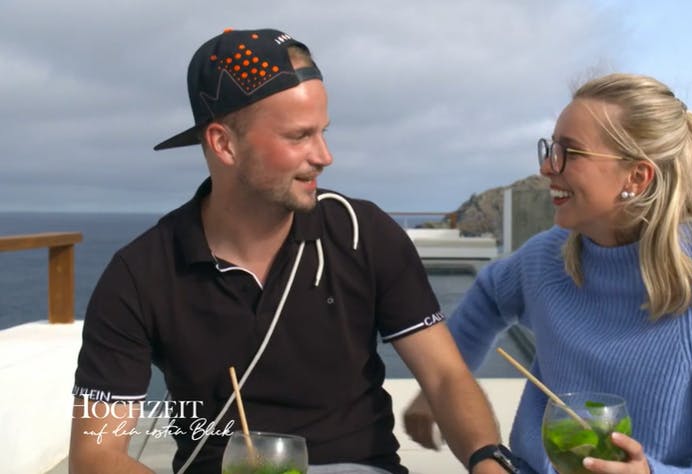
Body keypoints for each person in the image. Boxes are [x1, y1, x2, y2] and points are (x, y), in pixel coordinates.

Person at [68, 28, 516, 474]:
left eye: (323, 132)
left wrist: (487, 460)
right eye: (299, 136)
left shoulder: (364, 232)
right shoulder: (138, 274)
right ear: (224, 144)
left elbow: (445, 376)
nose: (324, 155)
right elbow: (95, 455)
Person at [403, 73, 692, 473]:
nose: (547, 167)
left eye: (569, 152)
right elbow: (488, 295)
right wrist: (442, 383)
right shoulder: (545, 259)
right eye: (550, 148)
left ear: (636, 177)